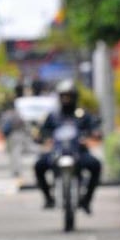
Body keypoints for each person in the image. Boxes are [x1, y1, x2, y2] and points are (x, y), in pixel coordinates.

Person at [34, 80, 101, 213]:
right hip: (57, 152)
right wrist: (41, 137)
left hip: (78, 152)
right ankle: (48, 198)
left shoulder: (82, 114)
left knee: (96, 165)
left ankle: (87, 200)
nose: (66, 99)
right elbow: (42, 131)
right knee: (38, 166)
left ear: (74, 96)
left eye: (68, 96)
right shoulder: (53, 116)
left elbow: (94, 127)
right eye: (63, 96)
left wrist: (94, 133)